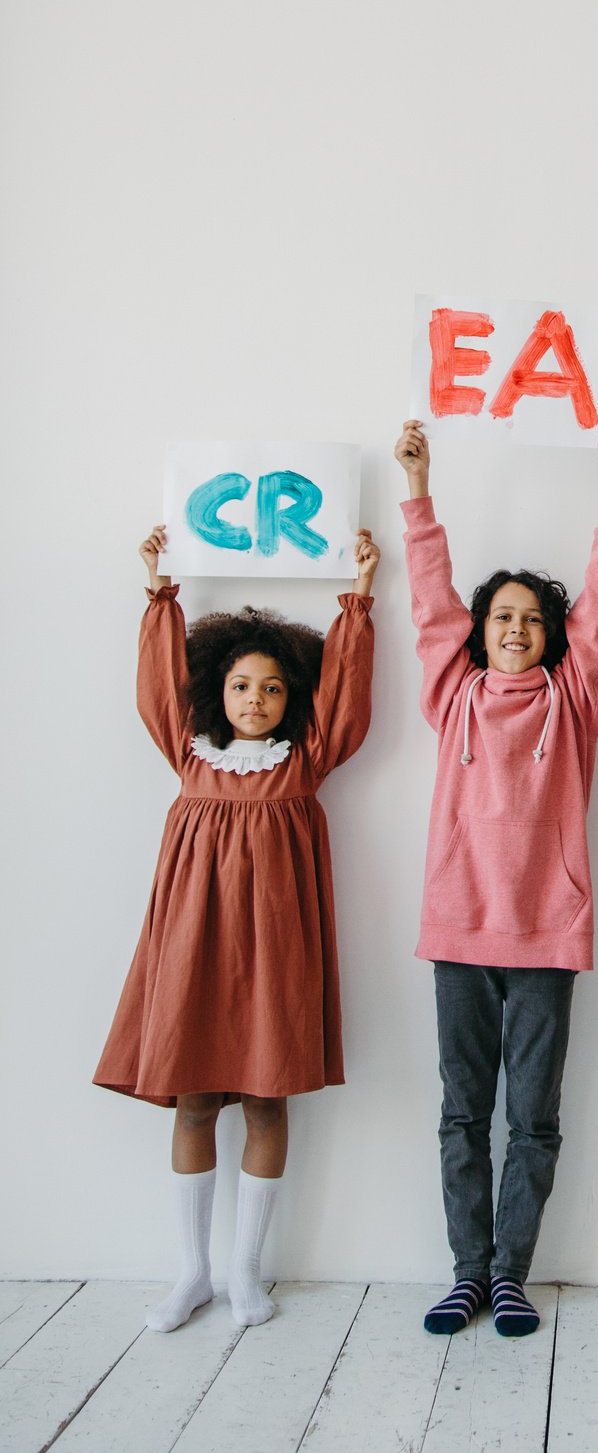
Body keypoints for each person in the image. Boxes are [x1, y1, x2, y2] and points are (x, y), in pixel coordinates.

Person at [95, 521, 378, 1332]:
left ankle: (245, 1272)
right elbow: (155, 686)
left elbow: (350, 696)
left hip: (277, 950)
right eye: (241, 685)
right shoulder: (191, 757)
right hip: (193, 945)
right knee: (193, 1100)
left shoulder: (304, 761)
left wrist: (359, 600)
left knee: (264, 1100)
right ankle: (192, 1271)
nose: (255, 700)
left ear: (293, 698)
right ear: (215, 690)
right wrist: (158, 592)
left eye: (273, 688)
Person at [397, 419, 598, 1340]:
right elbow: (428, 606)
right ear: (480, 629)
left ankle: (511, 1276)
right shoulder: (451, 693)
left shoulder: (575, 702)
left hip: (545, 932)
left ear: (550, 635)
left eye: (533, 619)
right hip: (458, 931)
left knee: (531, 1118)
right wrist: (418, 486)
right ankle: (465, 1272)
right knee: (464, 1114)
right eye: (501, 616)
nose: (516, 629)